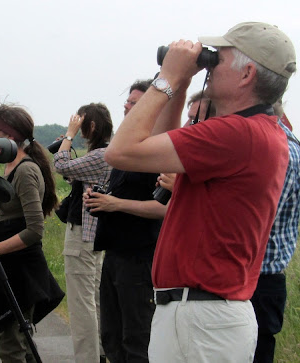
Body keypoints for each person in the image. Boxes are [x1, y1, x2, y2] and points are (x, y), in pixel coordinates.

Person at [103, 22, 295, 362]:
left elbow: (120, 152)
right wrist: (181, 85)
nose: (207, 64)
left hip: (200, 318)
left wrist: (167, 79)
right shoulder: (258, 130)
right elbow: (155, 153)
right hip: (208, 317)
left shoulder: (235, 133)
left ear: (247, 73)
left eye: (216, 59)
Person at [83, 80, 167, 363]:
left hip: (140, 257)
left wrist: (114, 203)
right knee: (111, 335)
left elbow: (163, 208)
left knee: (136, 337)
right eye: (127, 102)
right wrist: (101, 201)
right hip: (114, 254)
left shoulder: (158, 151)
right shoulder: (127, 150)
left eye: (134, 103)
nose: (126, 106)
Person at [0, 101, 64, 362]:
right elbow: (20, 212)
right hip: (11, 266)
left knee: (13, 345)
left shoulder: (25, 170)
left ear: (10, 136)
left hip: (22, 269)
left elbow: (35, 229)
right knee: (17, 340)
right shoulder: (11, 166)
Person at [52, 103, 113, 363]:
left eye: (81, 123)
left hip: (83, 235)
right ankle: (98, 354)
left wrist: (68, 136)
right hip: (96, 236)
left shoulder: (102, 155)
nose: (78, 128)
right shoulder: (109, 153)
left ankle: (87, 358)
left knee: (81, 304)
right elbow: (74, 174)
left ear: (92, 126)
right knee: (95, 299)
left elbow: (62, 166)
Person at [251, 101, 300, 363]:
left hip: (259, 277)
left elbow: (255, 220)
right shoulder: (277, 142)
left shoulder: (281, 149)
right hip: (257, 277)